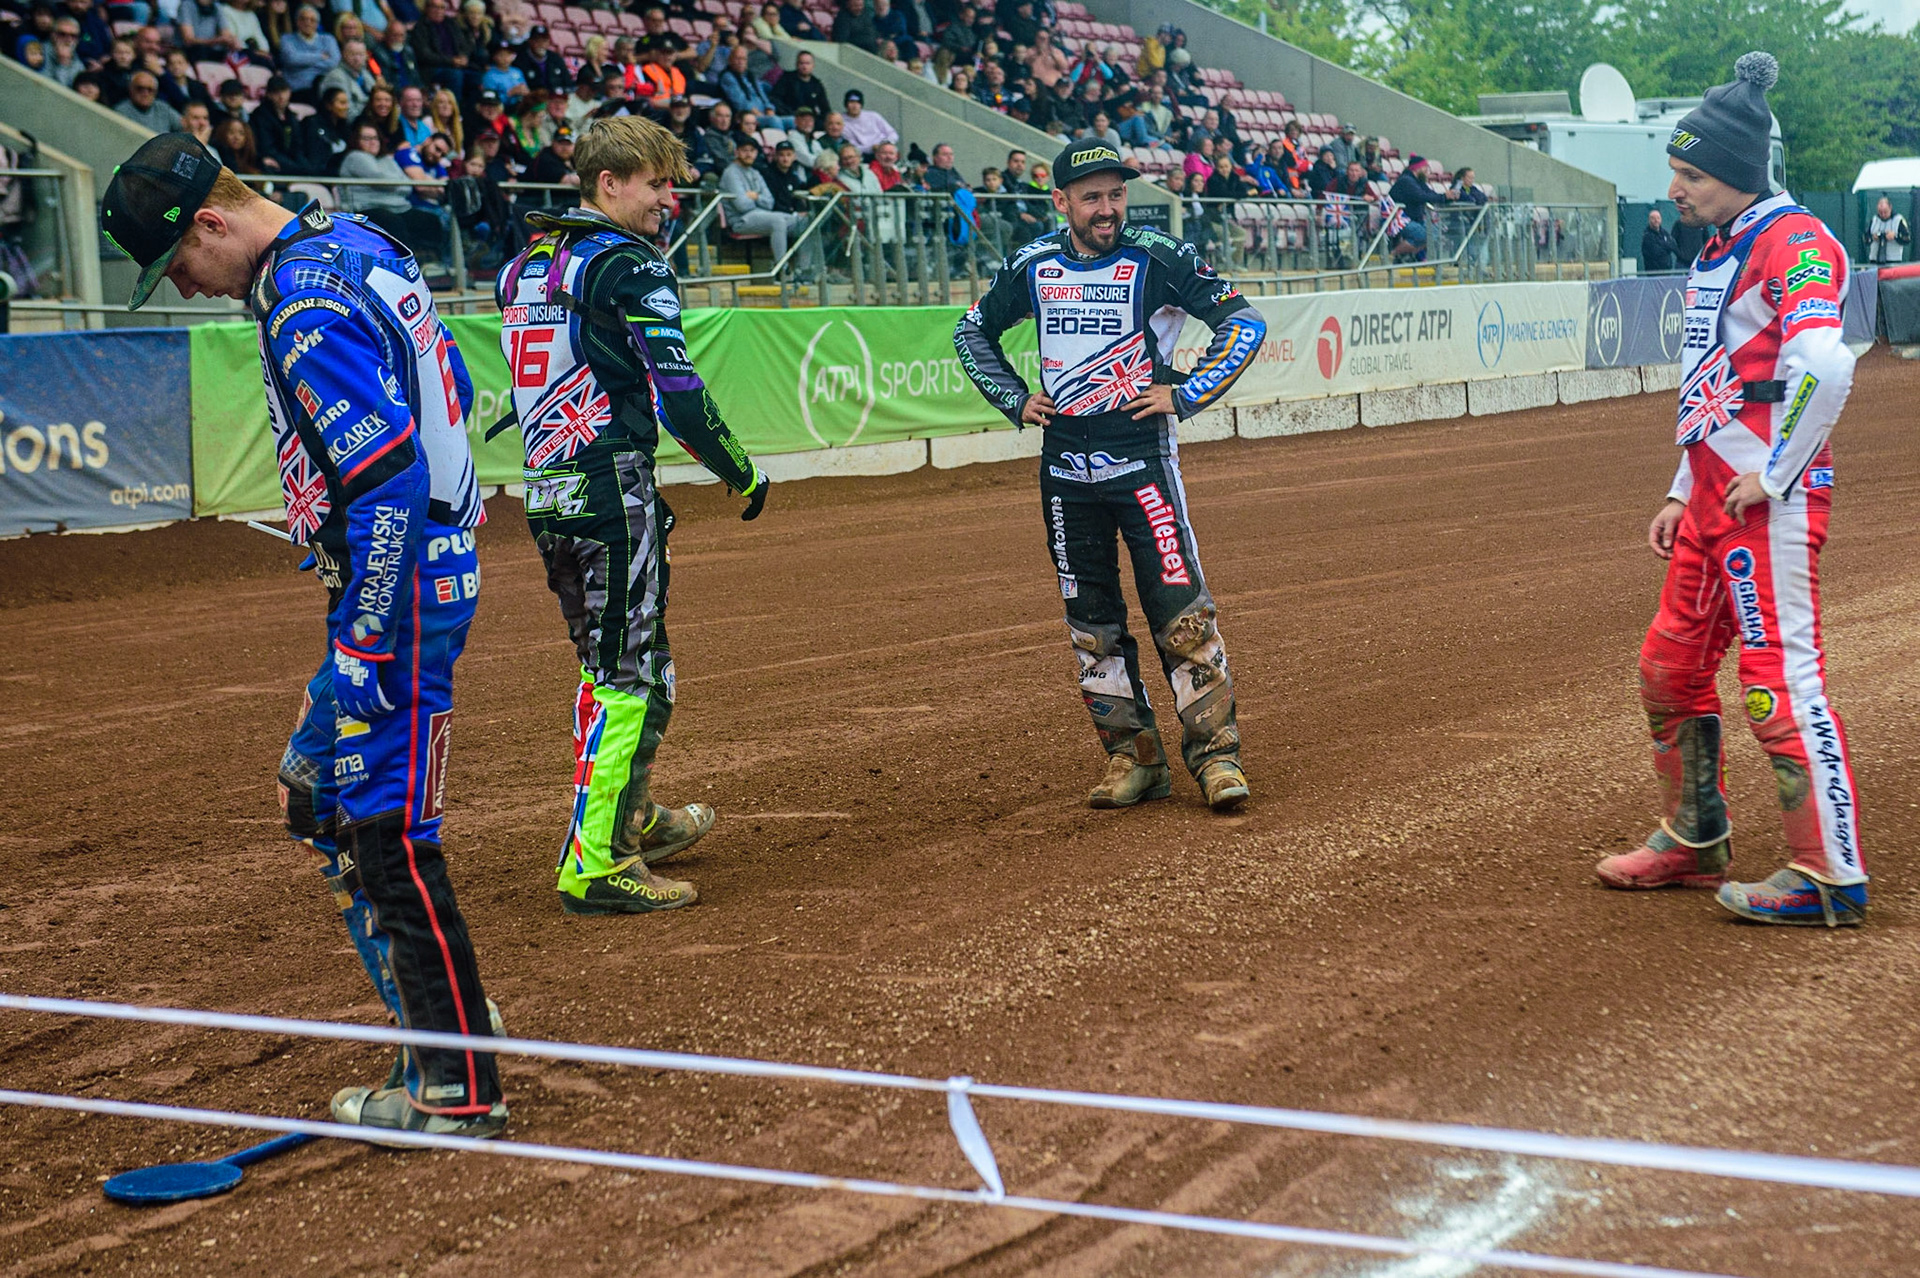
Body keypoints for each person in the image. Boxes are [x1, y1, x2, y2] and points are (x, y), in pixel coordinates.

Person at [102, 132, 506, 1134]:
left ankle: (455, 1084)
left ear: (211, 221)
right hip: (419, 573)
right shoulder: (354, 240)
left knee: (384, 829)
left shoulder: (299, 302)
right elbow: (446, 388)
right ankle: (449, 1023)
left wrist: (362, 642)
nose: (185, 288)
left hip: (400, 591)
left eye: (177, 264)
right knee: (315, 789)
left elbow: (386, 481)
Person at [1592, 53, 1867, 927]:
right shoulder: (1722, 243)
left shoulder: (1794, 241)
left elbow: (1827, 364)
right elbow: (1716, 382)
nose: (1674, 189)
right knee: (1669, 668)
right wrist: (1683, 487)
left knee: (1778, 682)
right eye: (1674, 170)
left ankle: (1830, 875)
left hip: (1766, 504)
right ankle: (1695, 837)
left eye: (1692, 175)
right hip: (1714, 496)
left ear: (1740, 173)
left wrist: (1777, 473)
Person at [492, 115, 771, 914]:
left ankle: (632, 814)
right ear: (607, 184)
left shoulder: (524, 266)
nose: (667, 199)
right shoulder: (630, 264)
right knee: (633, 676)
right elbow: (677, 392)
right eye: (655, 183)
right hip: (611, 493)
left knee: (609, 666)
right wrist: (740, 469)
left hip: (547, 493)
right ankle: (598, 862)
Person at [954, 142, 1263, 812]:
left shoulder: (1161, 256)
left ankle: (1217, 757)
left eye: (1116, 195)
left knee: (1181, 614)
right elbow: (971, 333)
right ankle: (1133, 758)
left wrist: (1187, 392)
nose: (1107, 209)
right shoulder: (1032, 264)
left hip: (1143, 464)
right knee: (1091, 626)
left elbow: (1245, 323)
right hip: (1064, 472)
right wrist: (1013, 397)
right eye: (1091, 196)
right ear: (1060, 201)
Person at [280, 5, 343, 96]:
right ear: (297, 21)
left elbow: (333, 63)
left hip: (324, 88)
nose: (307, 23)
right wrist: (320, 56)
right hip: (298, 88)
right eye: (303, 19)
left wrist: (302, 62)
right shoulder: (287, 39)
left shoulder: (328, 39)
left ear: (317, 23)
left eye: (312, 20)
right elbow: (292, 59)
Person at [321, 36, 378, 115]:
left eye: (361, 54)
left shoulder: (365, 73)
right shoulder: (336, 77)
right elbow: (347, 112)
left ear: (366, 56)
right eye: (352, 54)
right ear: (343, 54)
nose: (357, 59)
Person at [114, 70, 184, 131]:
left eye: (150, 90)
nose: (145, 93)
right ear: (131, 89)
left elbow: (184, 125)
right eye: (140, 89)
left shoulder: (163, 108)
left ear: (155, 92)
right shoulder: (121, 112)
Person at [838, 88, 896, 153]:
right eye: (851, 102)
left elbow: (892, 133)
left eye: (857, 102)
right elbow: (852, 147)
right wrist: (871, 148)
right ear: (846, 104)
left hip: (884, 148)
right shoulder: (842, 121)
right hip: (863, 154)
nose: (854, 106)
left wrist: (886, 143)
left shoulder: (873, 116)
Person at [1865, 195, 1909, 265]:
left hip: (1893, 261)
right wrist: (1872, 237)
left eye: (1885, 212)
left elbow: (1907, 239)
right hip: (1874, 260)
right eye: (1880, 212)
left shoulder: (1898, 220)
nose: (1883, 215)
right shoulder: (1874, 220)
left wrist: (1895, 237)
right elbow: (1866, 238)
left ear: (1890, 208)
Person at [1640, 207, 1679, 272]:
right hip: (1653, 273)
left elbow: (1672, 245)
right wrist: (1666, 246)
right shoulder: (1647, 236)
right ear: (1649, 220)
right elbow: (1656, 252)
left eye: (1658, 218)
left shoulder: (1664, 232)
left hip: (1667, 271)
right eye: (1653, 218)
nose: (1656, 220)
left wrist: (1665, 246)